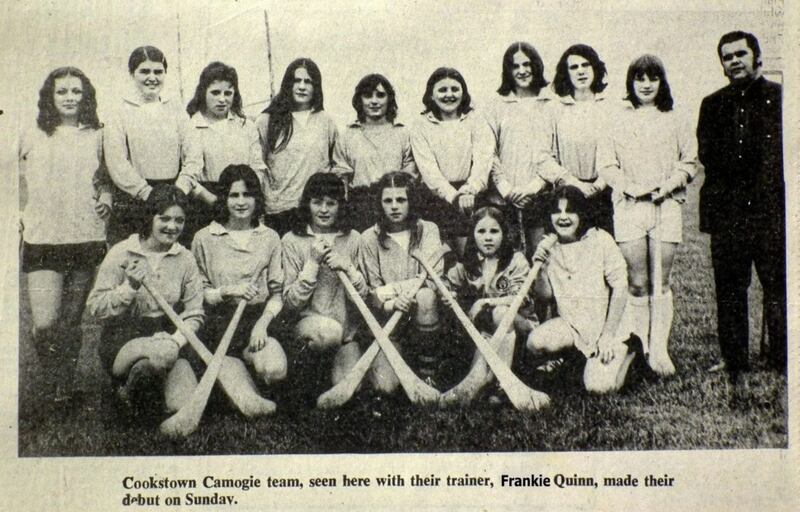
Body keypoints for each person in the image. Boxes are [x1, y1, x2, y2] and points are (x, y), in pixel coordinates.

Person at [598, 54, 698, 376]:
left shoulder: (676, 118)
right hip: (629, 207)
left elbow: (689, 162)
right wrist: (630, 188)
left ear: (661, 82)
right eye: (639, 78)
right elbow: (607, 165)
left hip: (665, 206)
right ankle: (640, 347)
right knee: (637, 283)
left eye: (652, 78)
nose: (645, 85)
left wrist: (666, 187)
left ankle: (659, 350)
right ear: (630, 82)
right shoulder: (617, 119)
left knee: (661, 281)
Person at [19, 67, 111, 409]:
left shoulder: (99, 135)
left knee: (72, 323)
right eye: (62, 92)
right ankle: (54, 379)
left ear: (86, 96)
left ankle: (63, 390)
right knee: (44, 325)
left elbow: (108, 176)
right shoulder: (31, 133)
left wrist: (107, 196)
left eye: (77, 91)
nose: (70, 98)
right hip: (43, 239)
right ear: (50, 96)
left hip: (85, 236)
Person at [696, 31, 785, 381]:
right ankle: (734, 359)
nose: (734, 61)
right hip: (728, 214)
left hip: (770, 212)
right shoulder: (712, 104)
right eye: (727, 56)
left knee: (777, 286)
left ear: (757, 57)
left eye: (740, 54)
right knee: (730, 289)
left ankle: (781, 357)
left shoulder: (781, 99)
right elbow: (709, 155)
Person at [86, 185, 202, 416]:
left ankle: (152, 387)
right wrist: (129, 287)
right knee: (155, 363)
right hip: (124, 335)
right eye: (164, 218)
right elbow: (95, 307)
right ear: (150, 217)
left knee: (180, 405)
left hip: (168, 334)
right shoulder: (122, 252)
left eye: (179, 220)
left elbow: (195, 312)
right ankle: (125, 390)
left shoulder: (185, 258)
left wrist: (175, 341)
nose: (172, 226)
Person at [191, 165, 286, 406]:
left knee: (275, 370)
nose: (241, 202)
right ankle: (241, 382)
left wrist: (262, 325)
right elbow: (197, 294)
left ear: (257, 198)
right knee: (243, 401)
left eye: (247, 194)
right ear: (224, 198)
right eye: (234, 195)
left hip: (256, 321)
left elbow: (276, 295)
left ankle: (249, 371)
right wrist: (227, 291)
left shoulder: (270, 237)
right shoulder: (204, 237)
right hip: (219, 324)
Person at [527, 186, 635, 393]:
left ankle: (630, 353)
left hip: (606, 326)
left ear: (581, 214)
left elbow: (620, 287)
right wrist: (540, 268)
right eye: (557, 212)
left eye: (570, 211)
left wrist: (607, 336)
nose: (563, 218)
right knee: (535, 343)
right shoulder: (549, 246)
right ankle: (576, 360)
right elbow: (545, 295)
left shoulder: (600, 239)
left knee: (598, 387)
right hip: (573, 325)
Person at [440, 206, 537, 404]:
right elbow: (446, 284)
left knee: (501, 313)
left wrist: (485, 301)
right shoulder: (469, 264)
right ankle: (488, 384)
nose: (488, 238)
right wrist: (447, 293)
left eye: (494, 231)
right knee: (478, 376)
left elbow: (521, 298)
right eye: (481, 231)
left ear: (504, 233)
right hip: (486, 333)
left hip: (520, 327)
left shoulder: (515, 260)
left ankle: (502, 385)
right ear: (473, 235)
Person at [359, 172, 445, 392]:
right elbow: (373, 292)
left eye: (401, 200)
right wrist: (391, 302)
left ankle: (428, 373)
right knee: (385, 387)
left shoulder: (428, 230)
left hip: (423, 313)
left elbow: (433, 280)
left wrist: (390, 291)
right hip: (389, 320)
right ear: (379, 204)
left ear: (411, 201)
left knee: (426, 296)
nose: (394, 206)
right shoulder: (369, 238)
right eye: (388, 200)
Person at [282, 173, 367, 391]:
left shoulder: (354, 238)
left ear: (340, 206)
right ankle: (308, 377)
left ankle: (330, 374)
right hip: (309, 328)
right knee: (326, 334)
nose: (324, 210)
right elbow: (291, 303)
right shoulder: (292, 240)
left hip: (346, 334)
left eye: (331, 203)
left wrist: (348, 268)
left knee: (350, 389)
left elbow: (363, 298)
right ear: (307, 204)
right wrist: (312, 263)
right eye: (317, 202)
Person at [485, 42, 570, 256]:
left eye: (527, 64)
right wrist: (506, 189)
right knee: (508, 262)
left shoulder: (552, 105)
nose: (522, 71)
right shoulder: (496, 106)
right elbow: (488, 151)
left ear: (536, 66)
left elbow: (556, 151)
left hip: (540, 197)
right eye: (515, 66)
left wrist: (535, 187)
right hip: (503, 198)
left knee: (540, 260)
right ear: (508, 70)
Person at [104, 46, 186, 244]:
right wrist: (147, 193)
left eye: (158, 71)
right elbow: (116, 161)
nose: (152, 77)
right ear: (132, 74)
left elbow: (192, 154)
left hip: (173, 195)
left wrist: (179, 190)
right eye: (145, 71)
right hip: (134, 199)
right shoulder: (119, 110)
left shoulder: (175, 108)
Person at [177, 62, 266, 243]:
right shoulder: (191, 126)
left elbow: (257, 167)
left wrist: (247, 197)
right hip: (203, 204)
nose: (222, 99)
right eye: (215, 92)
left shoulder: (245, 126)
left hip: (241, 202)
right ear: (203, 92)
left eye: (228, 93)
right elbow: (189, 172)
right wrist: (210, 199)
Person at [410, 67, 494, 256]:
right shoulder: (421, 125)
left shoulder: (476, 120)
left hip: (471, 197)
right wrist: (454, 197)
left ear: (463, 93)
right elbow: (428, 169)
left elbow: (483, 160)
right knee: (441, 256)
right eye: (442, 90)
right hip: (436, 199)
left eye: (455, 89)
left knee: (471, 256)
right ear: (431, 95)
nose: (449, 95)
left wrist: (468, 190)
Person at [256, 58, 337, 236]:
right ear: (288, 84)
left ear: (316, 87)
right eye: (296, 81)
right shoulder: (267, 121)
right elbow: (257, 167)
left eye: (308, 82)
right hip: (279, 210)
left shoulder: (325, 121)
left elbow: (334, 166)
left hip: (314, 212)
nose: (302, 86)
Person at [332, 74, 416, 232]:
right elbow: (341, 176)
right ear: (359, 100)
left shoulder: (403, 133)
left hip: (394, 204)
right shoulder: (348, 135)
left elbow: (410, 172)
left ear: (389, 99)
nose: (374, 101)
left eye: (381, 95)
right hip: (360, 207)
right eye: (368, 95)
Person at [550, 43, 614, 235]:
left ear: (595, 68)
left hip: (605, 193)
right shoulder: (555, 109)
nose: (580, 71)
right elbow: (544, 157)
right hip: (568, 194)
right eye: (574, 67)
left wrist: (600, 183)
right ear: (566, 73)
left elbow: (620, 152)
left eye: (585, 65)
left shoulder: (610, 108)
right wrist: (575, 184)